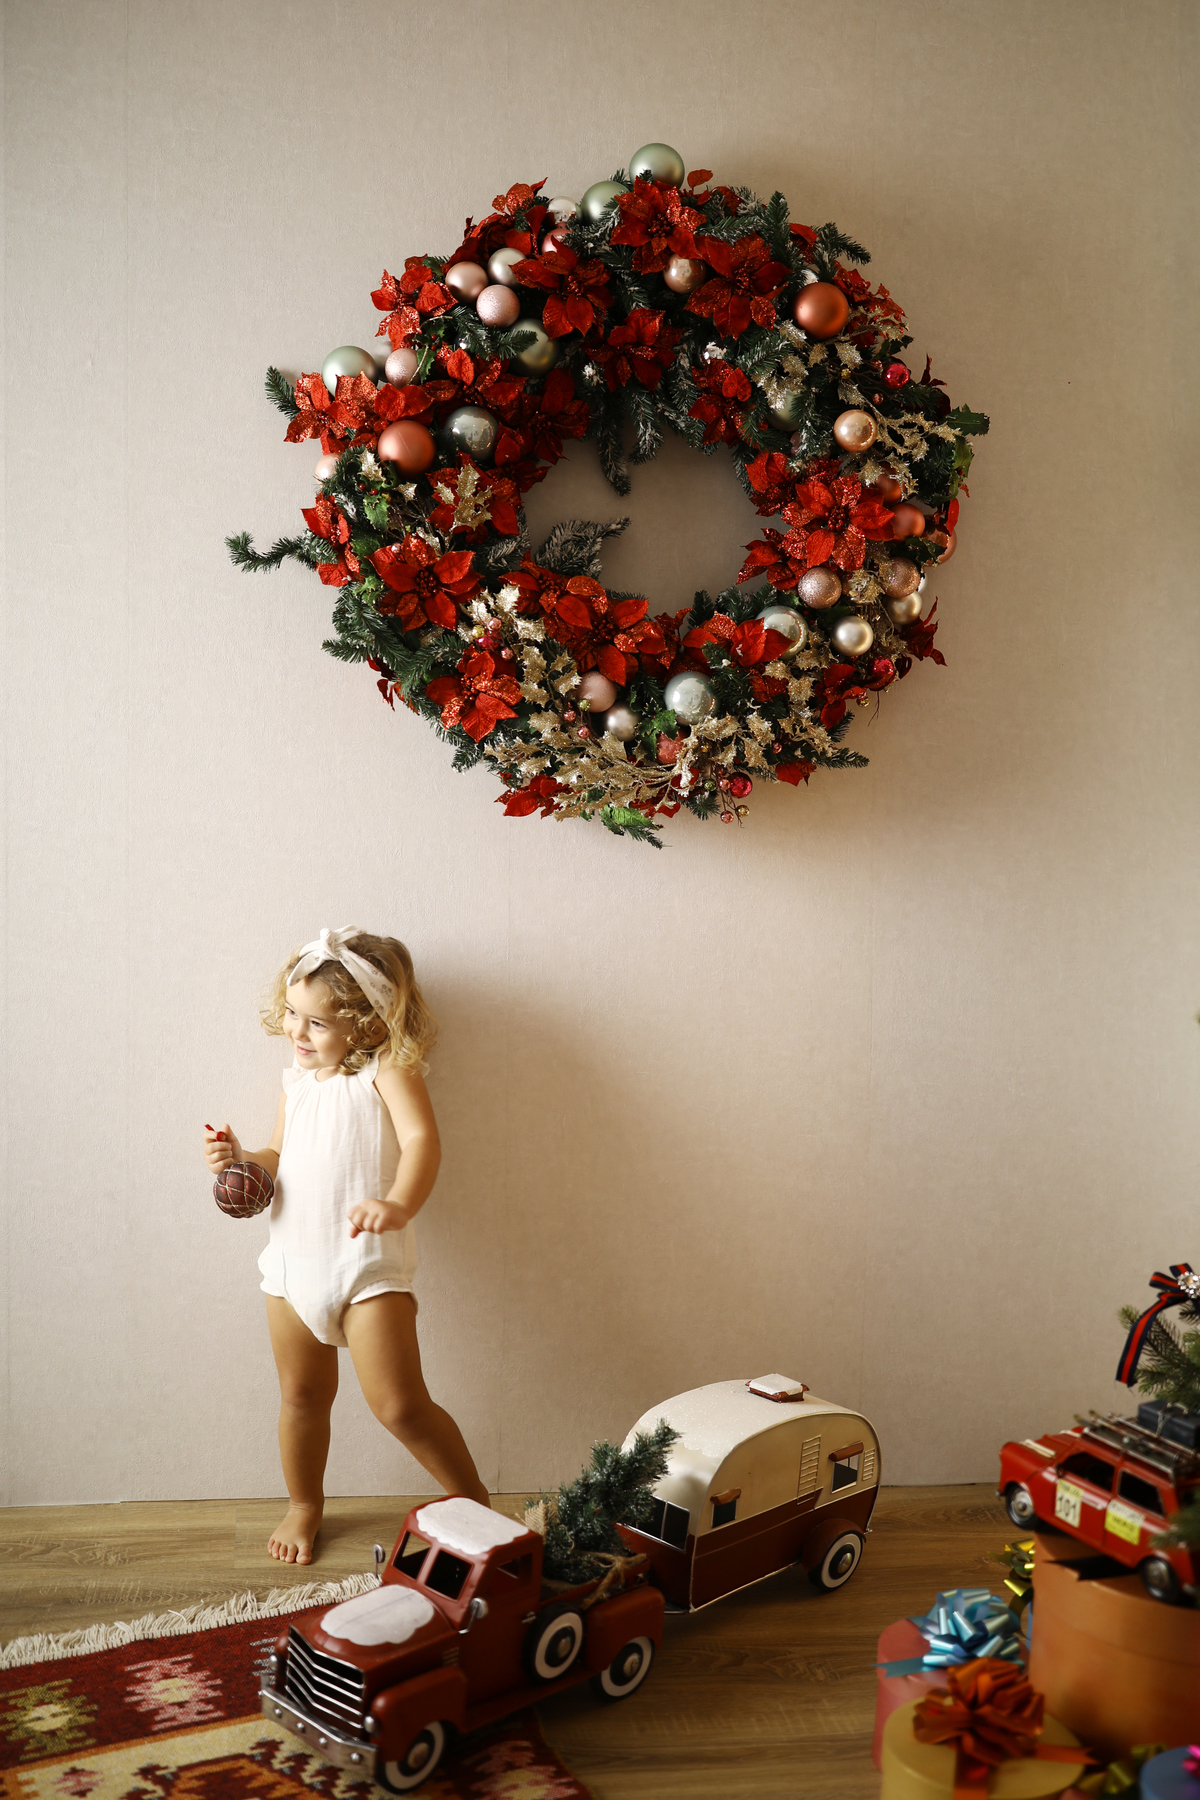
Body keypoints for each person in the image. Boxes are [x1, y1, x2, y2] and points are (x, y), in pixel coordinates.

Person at [203, 927, 488, 1565]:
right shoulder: (296, 1084)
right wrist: (241, 1159)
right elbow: (277, 1159)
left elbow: (421, 1143)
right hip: (289, 1270)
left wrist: (398, 1205)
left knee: (400, 1404)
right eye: (293, 1017)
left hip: (366, 1269)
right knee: (301, 1398)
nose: (299, 1034)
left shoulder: (386, 1071)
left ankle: (477, 1507)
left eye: (318, 1024)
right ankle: (305, 1504)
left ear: (364, 1026)